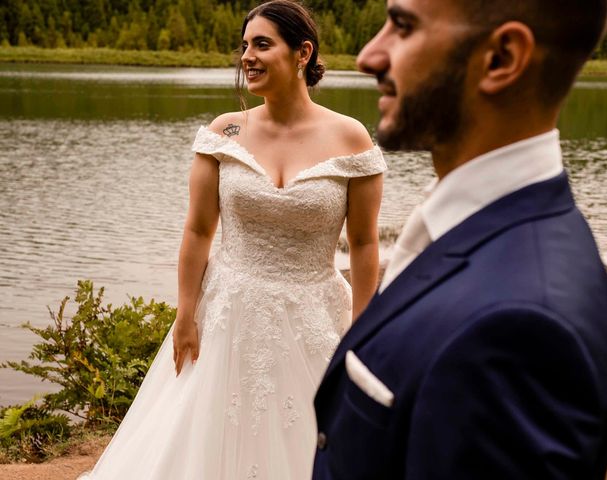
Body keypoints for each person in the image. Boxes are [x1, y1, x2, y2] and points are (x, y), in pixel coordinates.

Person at [313, 0, 607, 478]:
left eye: (403, 26)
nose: (368, 57)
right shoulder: (491, 225)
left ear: (501, 58)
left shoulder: (520, 330)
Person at [79, 1, 386, 479]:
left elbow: (365, 244)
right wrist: (185, 313)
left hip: (316, 315)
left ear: (302, 53)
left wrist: (364, 330)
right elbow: (198, 230)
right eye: (244, 46)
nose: (247, 56)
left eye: (262, 44)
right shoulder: (226, 132)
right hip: (227, 313)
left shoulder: (351, 138)